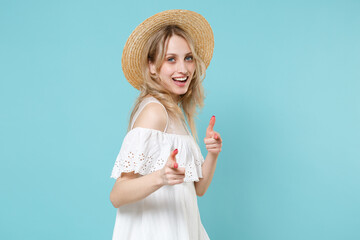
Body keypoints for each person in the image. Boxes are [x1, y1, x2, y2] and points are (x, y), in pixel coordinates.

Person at [110, 9, 222, 240]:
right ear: (151, 66)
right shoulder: (154, 112)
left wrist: (212, 153)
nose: (183, 68)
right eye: (171, 59)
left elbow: (198, 189)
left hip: (183, 229)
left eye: (188, 57)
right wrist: (159, 178)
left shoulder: (175, 114)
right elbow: (117, 194)